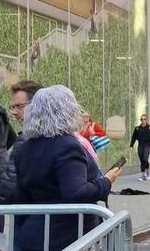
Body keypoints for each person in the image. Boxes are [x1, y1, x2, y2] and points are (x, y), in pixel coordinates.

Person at [14, 85, 120, 251]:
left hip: (31, 234)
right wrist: (106, 182)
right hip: (64, 237)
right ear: (67, 110)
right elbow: (76, 192)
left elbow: (21, 196)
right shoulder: (67, 145)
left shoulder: (24, 147)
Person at [0, 80, 43, 205]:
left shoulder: (25, 140)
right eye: (13, 107)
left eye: (19, 106)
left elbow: (10, 181)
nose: (14, 112)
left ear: (37, 105)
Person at [131, 114, 150, 181]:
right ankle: (143, 175)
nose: (143, 121)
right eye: (141, 119)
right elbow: (133, 137)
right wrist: (131, 145)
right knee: (142, 160)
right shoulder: (137, 128)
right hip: (140, 145)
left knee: (145, 159)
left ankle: (146, 173)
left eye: (144, 119)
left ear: (146, 120)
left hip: (147, 145)